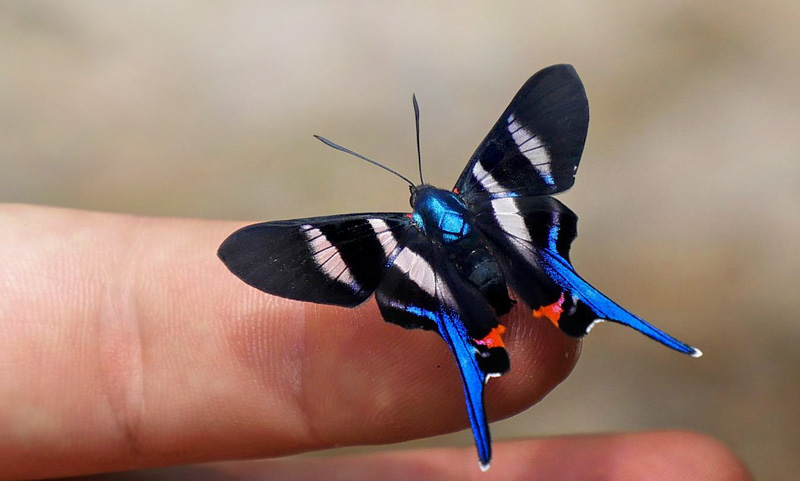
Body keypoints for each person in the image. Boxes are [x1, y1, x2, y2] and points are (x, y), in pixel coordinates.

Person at [0, 205, 751, 480]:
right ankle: (530, 317)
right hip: (475, 261)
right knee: (497, 318)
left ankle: (498, 333)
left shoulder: (389, 233)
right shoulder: (422, 221)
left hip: (459, 268)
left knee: (486, 336)